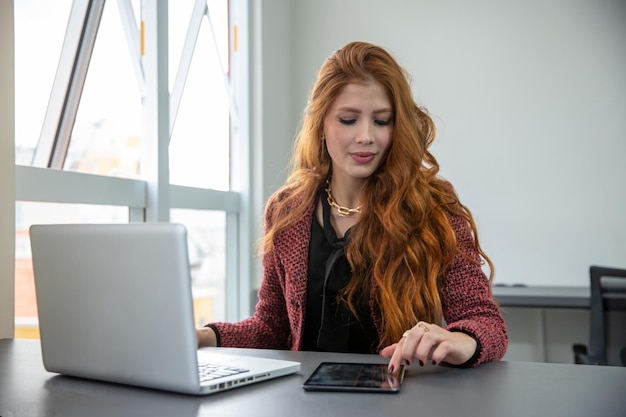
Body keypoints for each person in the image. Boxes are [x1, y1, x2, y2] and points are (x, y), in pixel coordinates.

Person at [197, 41, 507, 371]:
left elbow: (485, 323)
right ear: (321, 124)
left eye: (382, 121)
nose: (365, 137)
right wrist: (202, 337)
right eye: (348, 120)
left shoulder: (434, 207)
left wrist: (462, 339)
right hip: (303, 401)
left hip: (400, 398)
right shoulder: (285, 212)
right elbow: (271, 330)